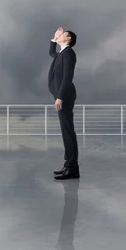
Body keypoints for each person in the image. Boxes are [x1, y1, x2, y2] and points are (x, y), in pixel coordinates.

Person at [49, 27, 79, 179]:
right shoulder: (61, 54)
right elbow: (51, 53)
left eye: (62, 34)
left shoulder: (69, 53)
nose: (60, 35)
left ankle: (72, 168)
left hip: (65, 96)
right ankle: (68, 165)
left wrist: (60, 96)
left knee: (68, 131)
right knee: (65, 131)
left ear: (68, 38)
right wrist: (53, 39)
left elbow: (68, 76)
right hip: (62, 95)